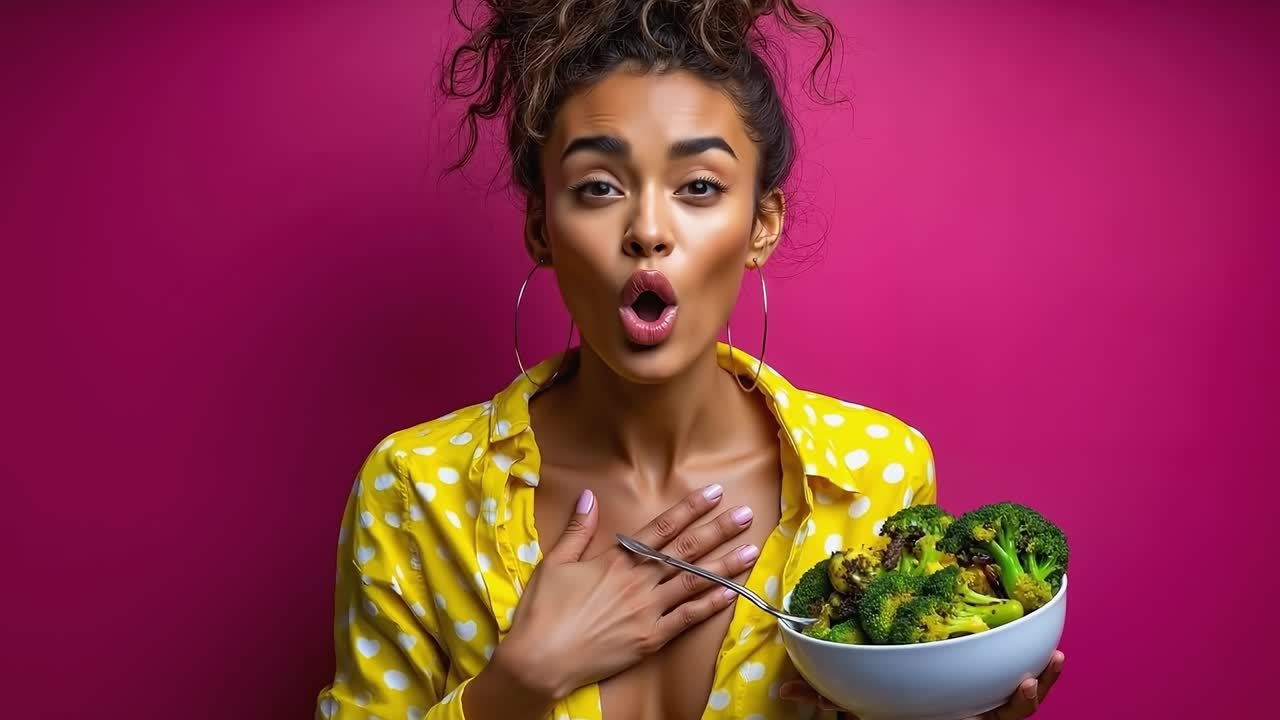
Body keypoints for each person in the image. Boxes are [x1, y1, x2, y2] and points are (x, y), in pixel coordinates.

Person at [315, 1, 1064, 718]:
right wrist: (520, 681)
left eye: (699, 187)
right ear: (542, 227)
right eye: (598, 187)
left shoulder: (875, 474)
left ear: (761, 225)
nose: (647, 230)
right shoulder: (414, 491)